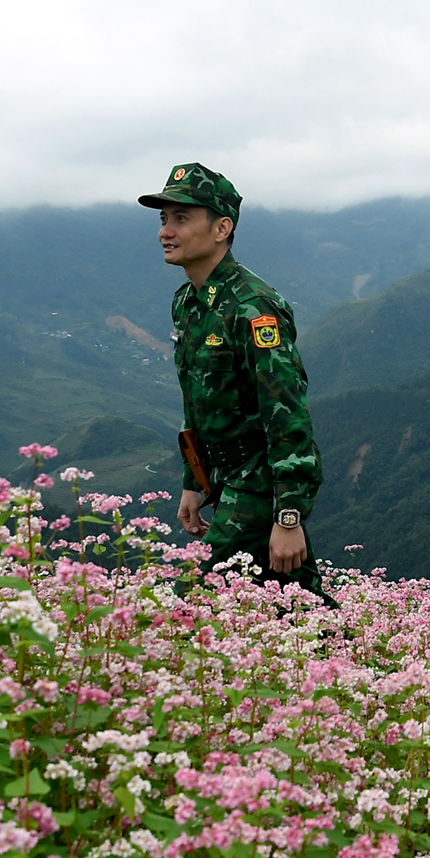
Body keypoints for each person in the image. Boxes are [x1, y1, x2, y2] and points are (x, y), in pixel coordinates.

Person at [145, 163, 325, 593]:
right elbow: (197, 400)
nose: (166, 232)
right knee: (295, 603)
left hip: (258, 481)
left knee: (193, 601)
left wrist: (288, 517)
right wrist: (194, 481)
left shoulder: (252, 307)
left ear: (222, 228)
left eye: (181, 218)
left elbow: (286, 413)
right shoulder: (188, 303)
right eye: (164, 219)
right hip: (224, 477)